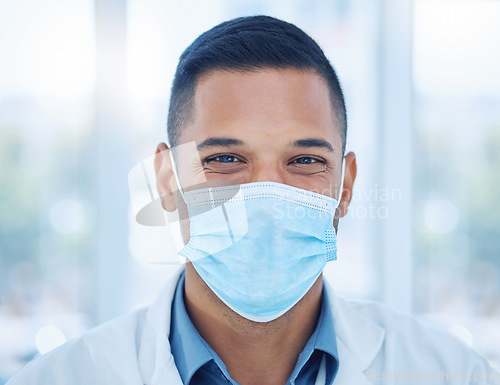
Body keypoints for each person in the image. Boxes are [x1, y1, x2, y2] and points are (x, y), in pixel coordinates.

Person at [8, 15, 498, 385]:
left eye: (305, 162)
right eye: (225, 159)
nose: (268, 196)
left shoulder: (453, 374)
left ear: (344, 188)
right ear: (167, 182)